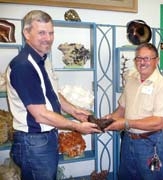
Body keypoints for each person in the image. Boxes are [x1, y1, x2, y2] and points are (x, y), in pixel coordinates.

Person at [6, 10, 101, 180]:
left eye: (51, 32)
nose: (48, 38)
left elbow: (52, 93)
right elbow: (41, 115)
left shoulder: (43, 59)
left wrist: (75, 111)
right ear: (26, 33)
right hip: (34, 142)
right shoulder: (24, 66)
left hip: (45, 139)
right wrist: (76, 126)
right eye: (42, 32)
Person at [105, 43, 163, 180]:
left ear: (157, 60)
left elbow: (159, 123)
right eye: (139, 58)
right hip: (127, 141)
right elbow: (122, 108)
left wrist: (126, 123)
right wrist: (108, 120)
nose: (142, 62)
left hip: (150, 144)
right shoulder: (131, 80)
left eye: (147, 58)